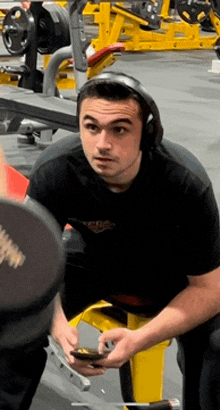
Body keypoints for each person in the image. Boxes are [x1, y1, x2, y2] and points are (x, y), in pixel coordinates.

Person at [3, 71, 220, 409]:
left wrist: (139, 340)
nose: (102, 144)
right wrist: (57, 326)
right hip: (95, 257)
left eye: (119, 129)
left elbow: (209, 289)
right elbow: (29, 263)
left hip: (172, 270)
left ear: (146, 135)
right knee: (13, 315)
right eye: (91, 127)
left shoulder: (185, 182)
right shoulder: (56, 170)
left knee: (217, 344)